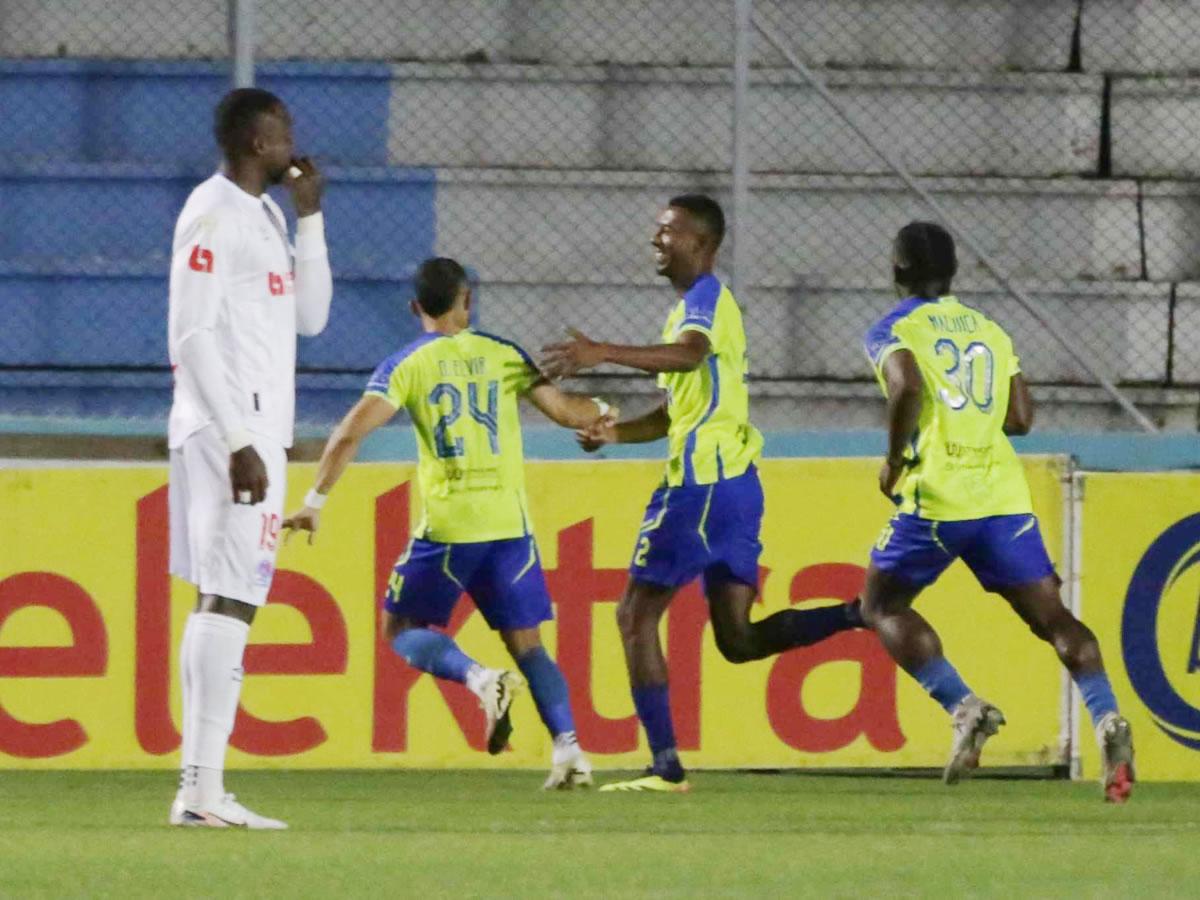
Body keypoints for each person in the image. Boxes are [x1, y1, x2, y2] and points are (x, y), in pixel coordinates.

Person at [541, 195, 862, 793]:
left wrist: (602, 352)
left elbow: (691, 357)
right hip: (735, 485)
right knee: (738, 640)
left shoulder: (706, 303)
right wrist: (615, 433)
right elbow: (675, 412)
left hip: (701, 486)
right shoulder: (690, 313)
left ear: (702, 243)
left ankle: (665, 767)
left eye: (669, 231)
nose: (656, 240)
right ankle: (858, 614)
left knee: (635, 615)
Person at [284, 257, 609, 790]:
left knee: (400, 629)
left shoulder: (406, 365)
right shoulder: (503, 353)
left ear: (415, 307)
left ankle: (480, 680)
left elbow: (349, 433)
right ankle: (570, 750)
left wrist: (314, 500)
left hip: (450, 529)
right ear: (467, 301)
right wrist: (605, 410)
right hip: (508, 527)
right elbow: (568, 413)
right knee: (529, 645)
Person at [858, 221, 1134, 802]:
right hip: (1003, 498)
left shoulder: (893, 328)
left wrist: (895, 459)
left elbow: (906, 387)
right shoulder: (990, 330)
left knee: (881, 605)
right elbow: (1021, 419)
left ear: (897, 270)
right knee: (1053, 618)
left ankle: (964, 706)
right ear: (954, 271)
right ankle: (1107, 716)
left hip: (939, 497)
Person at [167, 88, 332, 828]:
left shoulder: (265, 215)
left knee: (231, 595)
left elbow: (312, 318)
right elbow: (192, 333)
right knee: (228, 595)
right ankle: (201, 791)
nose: (294, 143)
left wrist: (310, 217)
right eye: (284, 132)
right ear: (259, 142)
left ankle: (201, 790)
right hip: (227, 428)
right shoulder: (212, 212)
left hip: (258, 430)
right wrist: (237, 439)